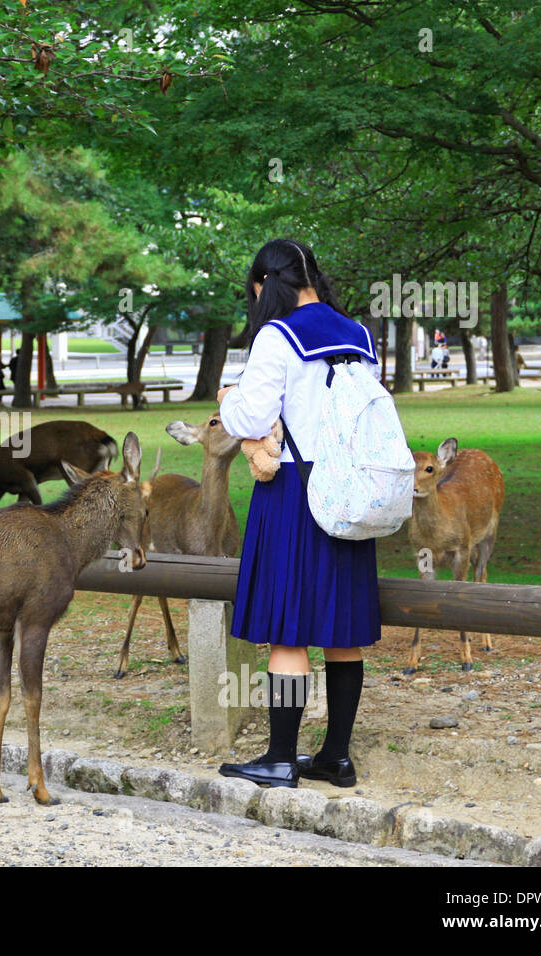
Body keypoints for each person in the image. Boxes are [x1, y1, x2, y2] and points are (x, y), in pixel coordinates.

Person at [213, 238, 381, 789]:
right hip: (350, 493)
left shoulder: (276, 335)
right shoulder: (359, 335)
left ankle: (281, 757)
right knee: (341, 631)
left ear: (266, 285)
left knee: (289, 635)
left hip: (293, 490)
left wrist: (228, 398)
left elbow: (249, 416)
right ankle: (336, 757)